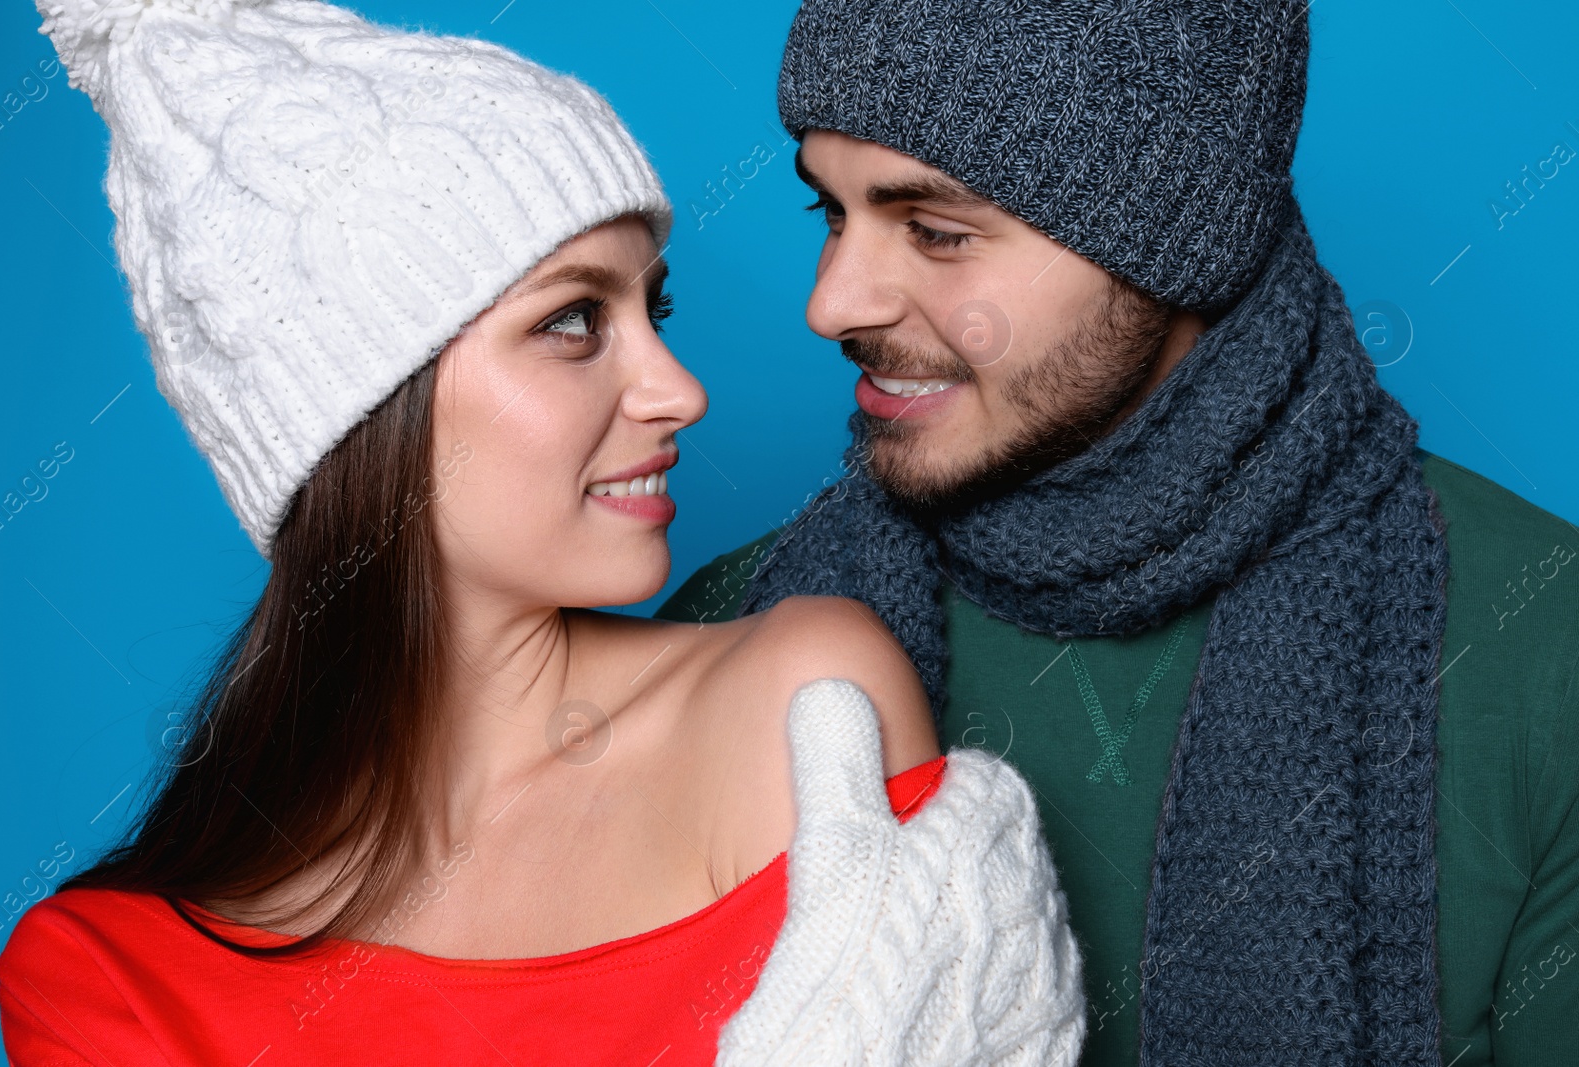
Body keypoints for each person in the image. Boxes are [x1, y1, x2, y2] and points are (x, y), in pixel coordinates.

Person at [0, 1, 1087, 1064]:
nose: (677, 390)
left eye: (652, 313)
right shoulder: (109, 974)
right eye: (573, 322)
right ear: (365, 412)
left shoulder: (796, 702)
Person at [656, 2, 1579, 1066]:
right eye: (831, 213)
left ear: (1176, 243)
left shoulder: (1539, 652)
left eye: (938, 232)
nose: (832, 302)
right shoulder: (735, 625)